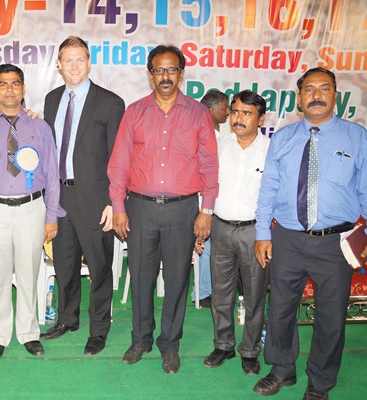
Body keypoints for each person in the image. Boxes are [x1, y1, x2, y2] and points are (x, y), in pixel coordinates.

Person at [253, 67, 367, 400]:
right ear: (299, 98)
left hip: (335, 243)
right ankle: (282, 369)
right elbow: (268, 189)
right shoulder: (283, 138)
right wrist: (263, 233)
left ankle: (320, 381)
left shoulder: (356, 137)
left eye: (324, 88)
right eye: (309, 89)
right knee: (281, 308)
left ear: (335, 95)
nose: (317, 95)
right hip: (287, 238)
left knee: (331, 315)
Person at [108, 44, 218, 373]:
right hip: (140, 208)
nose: (165, 76)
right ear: (150, 74)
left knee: (177, 279)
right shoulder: (135, 112)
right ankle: (141, 338)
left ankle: (170, 343)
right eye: (159, 70)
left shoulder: (197, 113)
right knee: (141, 278)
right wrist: (118, 206)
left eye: (172, 69)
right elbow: (119, 163)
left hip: (182, 210)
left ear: (181, 74)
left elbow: (209, 165)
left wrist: (207, 210)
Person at [0, 64, 64, 360]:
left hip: (31, 208)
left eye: (15, 84)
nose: (9, 89)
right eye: (3, 84)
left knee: (28, 273)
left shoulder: (40, 127)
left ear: (23, 89)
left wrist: (51, 215)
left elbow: (52, 173)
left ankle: (28, 333)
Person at [40, 36, 125, 356]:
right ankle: (67, 318)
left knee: (100, 266)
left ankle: (99, 328)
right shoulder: (51, 100)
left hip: (96, 200)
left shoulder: (110, 102)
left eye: (80, 59)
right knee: (64, 262)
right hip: (59, 196)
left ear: (89, 62)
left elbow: (119, 157)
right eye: (68, 60)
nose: (74, 66)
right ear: (59, 65)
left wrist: (114, 202)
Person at [203, 90, 270, 376]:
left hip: (254, 232)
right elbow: (207, 185)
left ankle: (250, 350)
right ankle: (223, 345)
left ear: (261, 118)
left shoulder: (271, 150)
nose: (239, 118)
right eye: (235, 112)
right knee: (221, 292)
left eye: (247, 113)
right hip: (220, 227)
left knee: (254, 296)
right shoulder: (219, 145)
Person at [194, 90, 230, 308]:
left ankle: (209, 289)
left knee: (213, 248)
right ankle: (202, 292)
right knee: (206, 247)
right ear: (211, 109)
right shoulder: (201, 134)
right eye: (224, 108)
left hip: (221, 200)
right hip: (204, 201)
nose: (228, 112)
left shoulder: (223, 136)